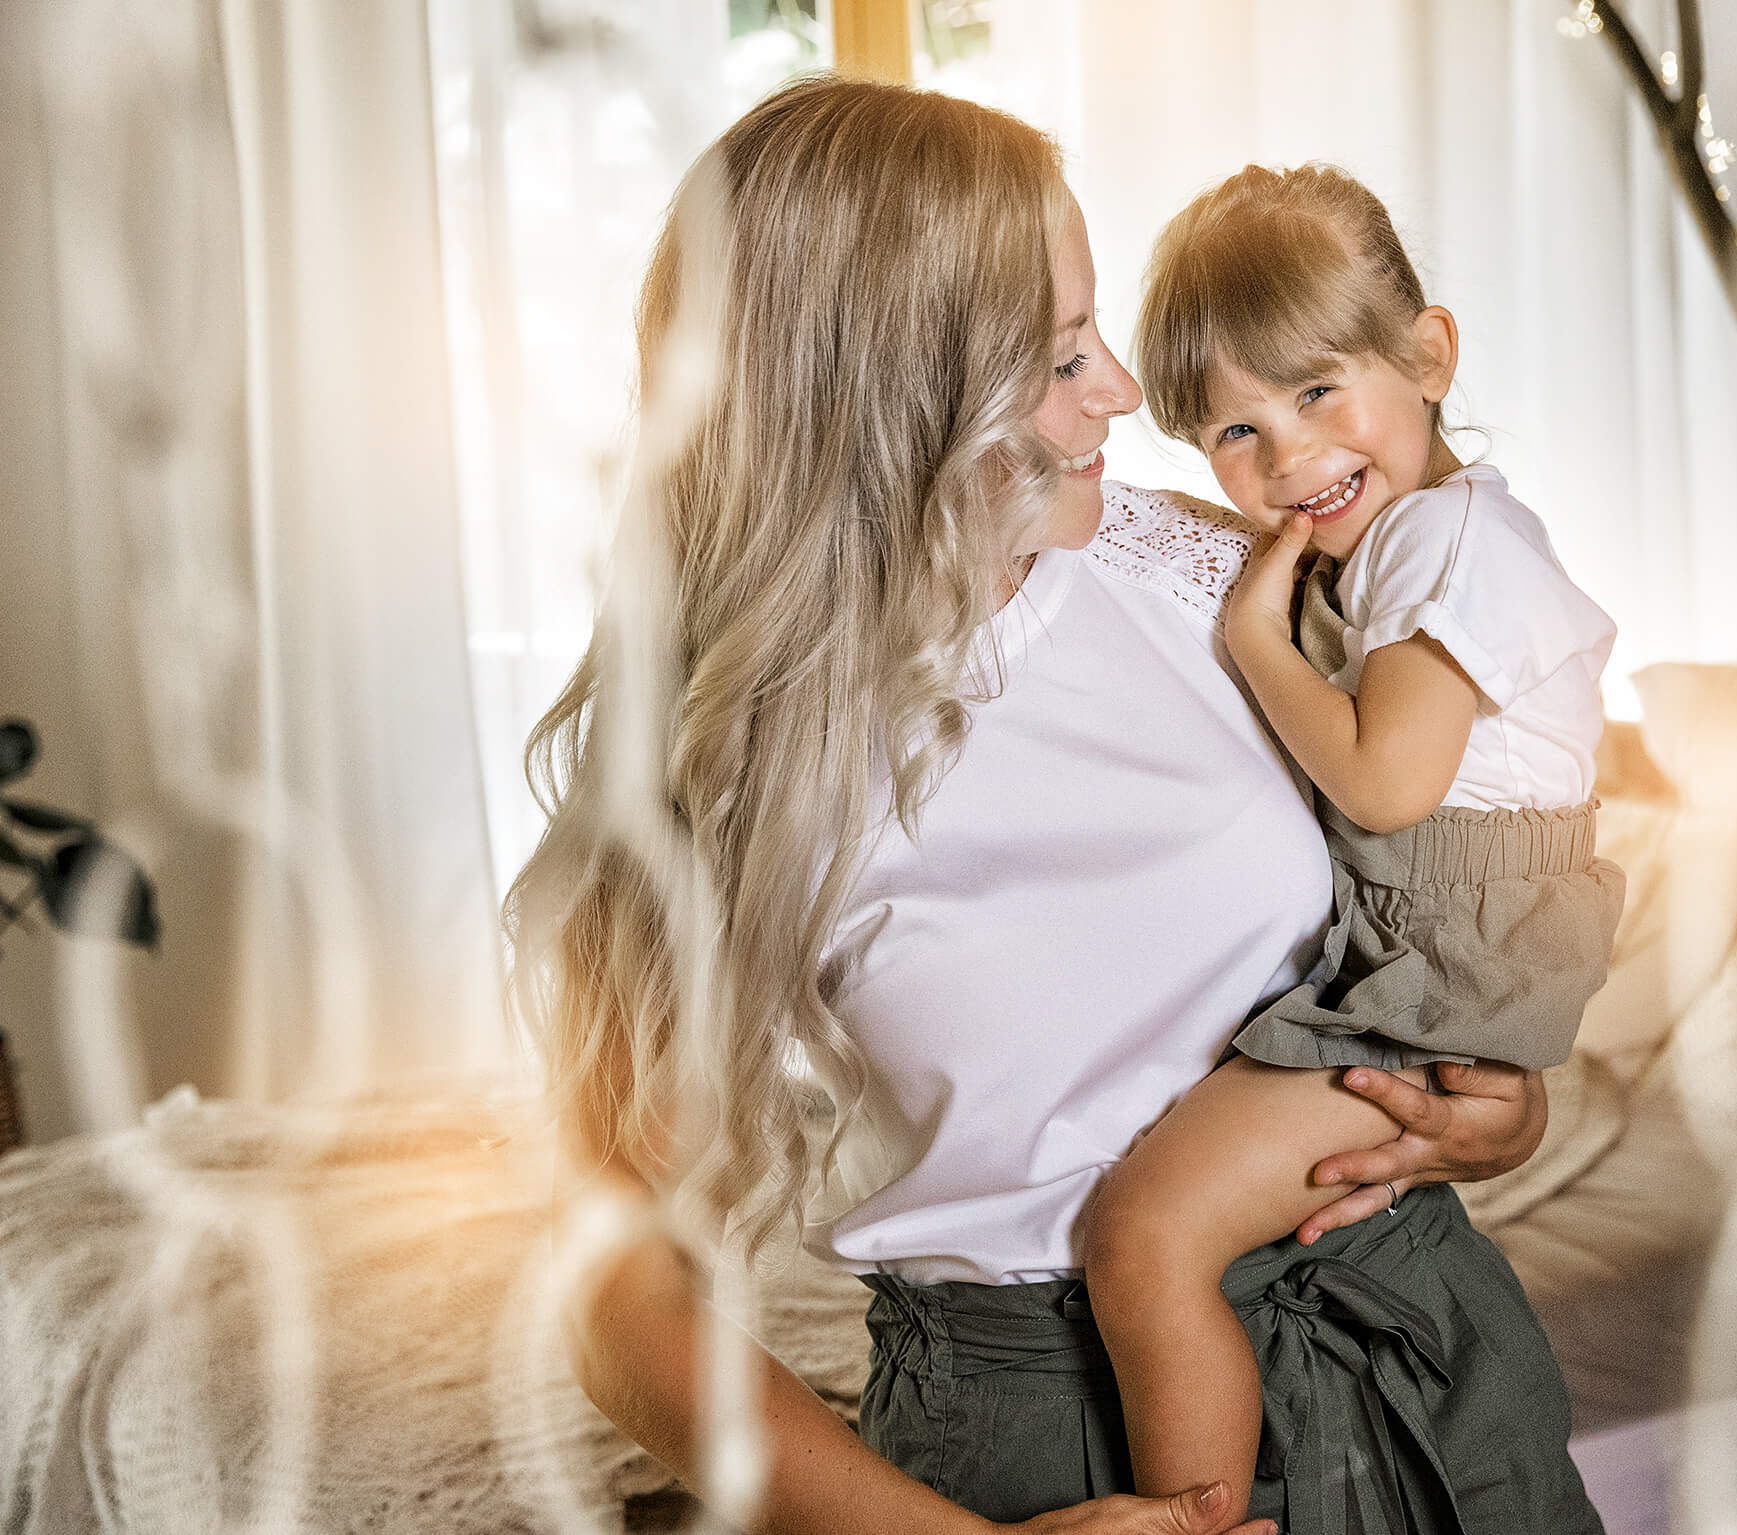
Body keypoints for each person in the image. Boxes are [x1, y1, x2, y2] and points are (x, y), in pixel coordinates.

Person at [508, 78, 1587, 1535]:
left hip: (1419, 1343)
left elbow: (1463, 868)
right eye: (1060, 355)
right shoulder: (722, 766)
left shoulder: (1229, 581)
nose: (1128, 400)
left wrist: (1487, 1113)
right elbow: (614, 1290)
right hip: (1035, 1447)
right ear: (883, 397)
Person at [1079, 163, 1624, 1510]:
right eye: (1231, 433)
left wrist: (1254, 641)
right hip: (1422, 936)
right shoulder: (1400, 537)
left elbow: (1383, 787)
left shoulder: (1448, 550)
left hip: (1443, 949)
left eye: (1317, 391)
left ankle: (1191, 1521)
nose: (1288, 457)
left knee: (1144, 1238)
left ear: (1429, 354)